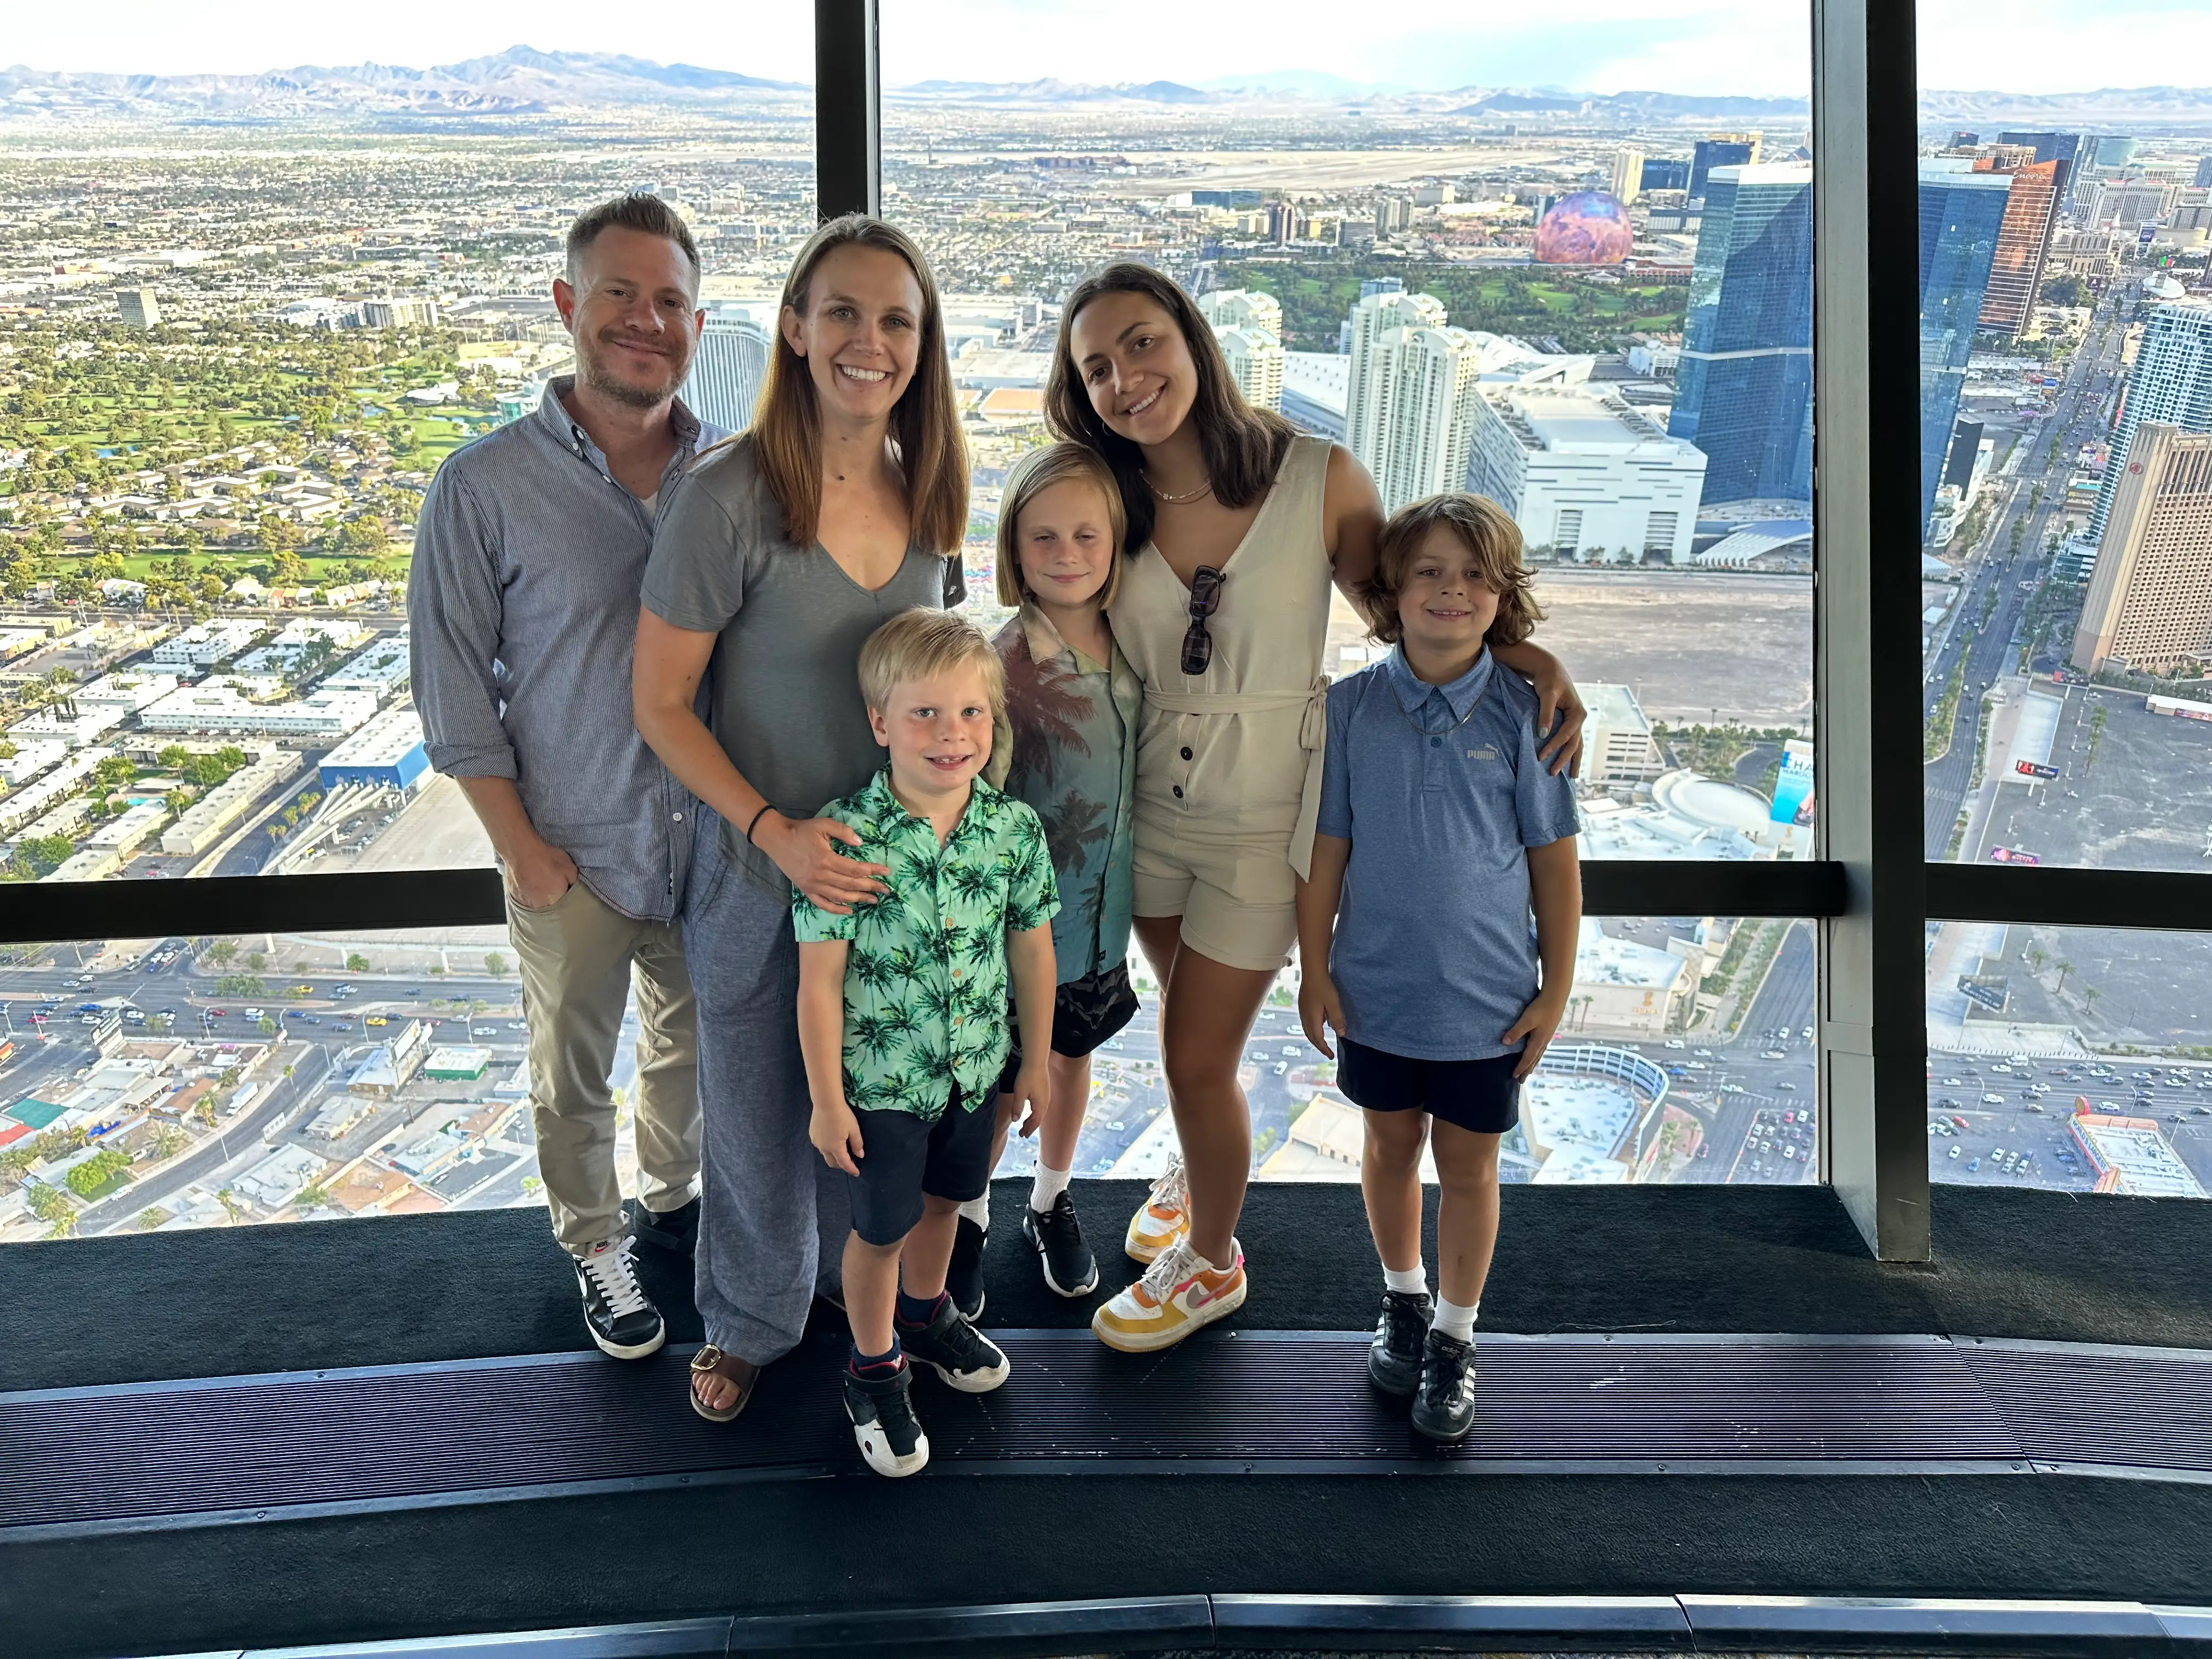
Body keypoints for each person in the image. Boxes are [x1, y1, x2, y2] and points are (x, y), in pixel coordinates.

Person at [1041, 263, 1587, 1354]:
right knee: (1191, 1028)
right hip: (1143, 810)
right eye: (1096, 367)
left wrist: (1528, 653)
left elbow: (1417, 610)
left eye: (1142, 344)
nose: (1125, 379)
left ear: (1193, 339)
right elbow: (1047, 602)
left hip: (1263, 820)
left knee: (1196, 1058)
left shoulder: (1317, 476)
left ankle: (1214, 1262)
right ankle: (1199, 1166)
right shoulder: (1102, 496)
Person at [632, 215, 969, 1422]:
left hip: (891, 883)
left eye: (895, 320)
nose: (867, 341)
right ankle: (749, 1321)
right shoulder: (727, 496)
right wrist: (774, 832)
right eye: (842, 311)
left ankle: (851, 1298)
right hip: (756, 868)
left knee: (873, 1107)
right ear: (792, 326)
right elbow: (662, 704)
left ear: (921, 347)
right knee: (758, 1113)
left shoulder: (932, 492)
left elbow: (943, 682)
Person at [410, 191, 721, 1362]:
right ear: (565, 307)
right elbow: (450, 690)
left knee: (692, 1051)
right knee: (572, 1072)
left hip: (708, 845)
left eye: (670, 301)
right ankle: (597, 1243)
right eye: (619, 296)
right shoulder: (483, 486)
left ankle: (673, 1201)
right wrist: (521, 850)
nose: (645, 321)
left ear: (699, 321)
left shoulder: (728, 475)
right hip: (571, 848)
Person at [1297, 493, 1582, 1442]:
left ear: (1505, 595)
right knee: (1386, 1150)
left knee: (1469, 1167)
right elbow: (1327, 846)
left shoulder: (1528, 708)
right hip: (1375, 989)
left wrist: (1558, 988)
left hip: (1487, 1003)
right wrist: (1314, 966)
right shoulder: (1349, 709)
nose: (1451, 591)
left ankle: (1456, 1341)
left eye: (1474, 575)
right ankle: (1405, 1302)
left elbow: (1554, 863)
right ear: (1391, 590)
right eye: (1429, 571)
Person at [794, 609, 1058, 1476]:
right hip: (881, 1088)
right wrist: (828, 1102)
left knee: (949, 1203)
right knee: (879, 1230)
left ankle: (927, 1313)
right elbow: (820, 983)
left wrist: (1034, 1066)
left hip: (976, 1073)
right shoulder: (844, 836)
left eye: (972, 714)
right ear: (879, 723)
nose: (953, 734)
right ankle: (873, 1368)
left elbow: (1033, 953)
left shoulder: (1014, 833)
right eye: (925, 715)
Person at [944, 443, 1141, 1313]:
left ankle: (1051, 1199)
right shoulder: (1000, 669)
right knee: (994, 1091)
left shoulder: (1139, 644)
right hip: (1018, 940)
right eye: (1044, 538)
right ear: (1012, 549)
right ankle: (969, 1219)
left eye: (1086, 537)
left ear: (1116, 541)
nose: (1067, 555)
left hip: (1104, 922)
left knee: (1071, 1062)